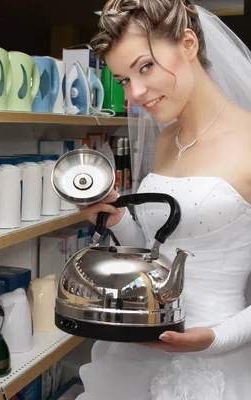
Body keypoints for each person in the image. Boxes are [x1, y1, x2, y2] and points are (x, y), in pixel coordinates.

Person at [74, 0, 251, 399]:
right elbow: (160, 248)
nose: (135, 94)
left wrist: (214, 338)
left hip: (216, 356)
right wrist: (117, 217)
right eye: (122, 79)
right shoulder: (168, 139)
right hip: (138, 345)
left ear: (188, 44)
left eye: (145, 67)